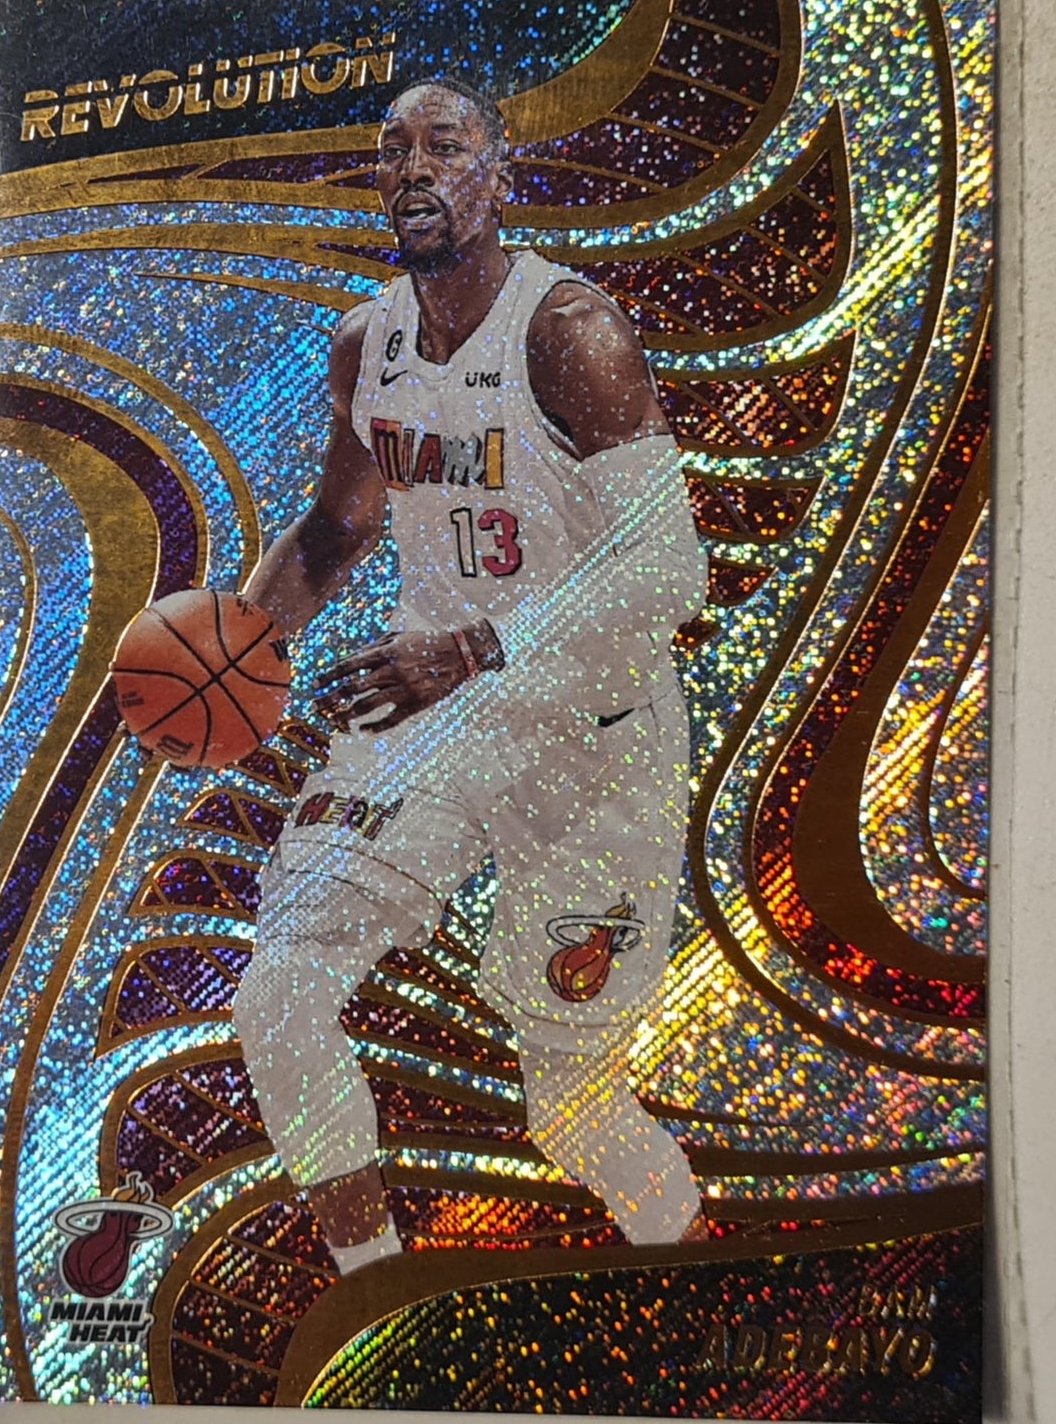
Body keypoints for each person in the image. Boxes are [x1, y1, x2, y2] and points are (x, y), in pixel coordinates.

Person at [232, 77, 709, 1274]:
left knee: (572, 1108)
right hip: (433, 716)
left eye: (442, 146)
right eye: (391, 149)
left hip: (593, 729)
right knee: (279, 994)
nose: (412, 168)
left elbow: (668, 565)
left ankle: (699, 1265)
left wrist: (472, 646)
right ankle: (376, 1294)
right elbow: (337, 529)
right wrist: (232, 647)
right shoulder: (367, 341)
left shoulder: (569, 331)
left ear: (497, 174)